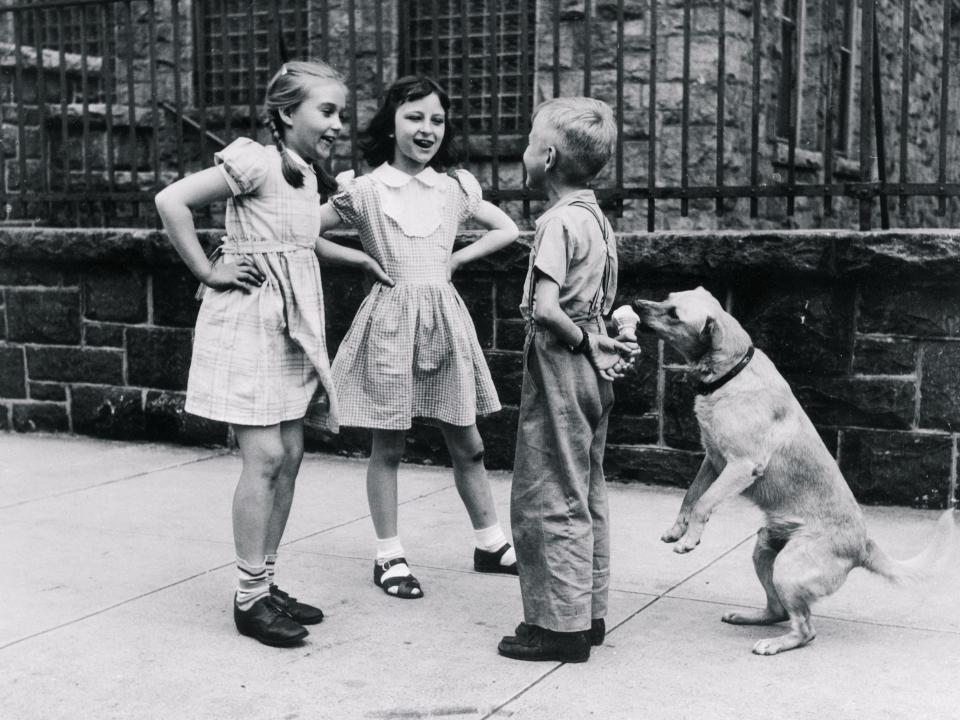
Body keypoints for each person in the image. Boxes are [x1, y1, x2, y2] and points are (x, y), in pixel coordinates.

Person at [155, 61, 391, 647]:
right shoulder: (255, 159)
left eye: (342, 112)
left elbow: (299, 237)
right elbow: (171, 201)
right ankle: (248, 599)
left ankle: (264, 580)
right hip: (249, 323)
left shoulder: (305, 174)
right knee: (262, 457)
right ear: (287, 114)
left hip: (291, 327)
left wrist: (357, 258)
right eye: (327, 111)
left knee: (289, 452)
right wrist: (209, 271)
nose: (339, 123)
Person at [318, 75, 520, 599]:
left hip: (444, 324)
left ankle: (491, 543)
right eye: (414, 117)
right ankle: (389, 556)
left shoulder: (454, 188)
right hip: (390, 325)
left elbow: (508, 229)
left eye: (436, 119)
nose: (426, 129)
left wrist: (456, 258)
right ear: (390, 125)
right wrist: (359, 257)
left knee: (469, 442)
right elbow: (302, 232)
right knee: (388, 444)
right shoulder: (362, 190)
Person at [498, 97, 640, 663]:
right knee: (586, 485)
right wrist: (599, 345)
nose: (524, 151)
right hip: (593, 365)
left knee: (547, 491)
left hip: (564, 356)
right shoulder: (595, 217)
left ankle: (558, 629)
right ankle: (588, 612)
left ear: (548, 156)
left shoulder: (557, 222)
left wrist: (582, 342)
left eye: (531, 142)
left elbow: (548, 309)